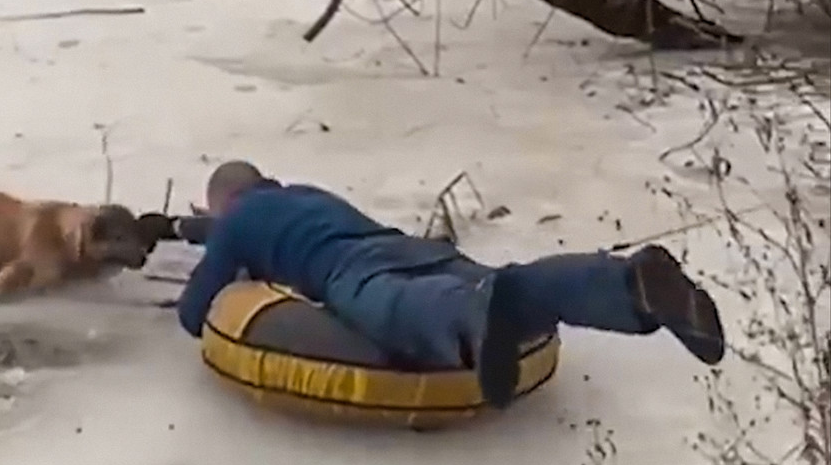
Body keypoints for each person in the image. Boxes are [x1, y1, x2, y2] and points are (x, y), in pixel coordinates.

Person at [141, 161, 725, 409]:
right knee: (506, 283)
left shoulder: (240, 221)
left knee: (406, 311)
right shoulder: (306, 195)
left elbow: (196, 314)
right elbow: (245, 223)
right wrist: (189, 227)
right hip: (413, 248)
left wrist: (229, 263)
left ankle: (477, 320)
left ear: (225, 202)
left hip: (354, 272)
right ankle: (629, 284)